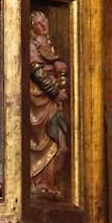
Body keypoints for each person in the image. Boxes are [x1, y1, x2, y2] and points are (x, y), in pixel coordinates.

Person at [29, 11, 69, 198]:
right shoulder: (31, 45)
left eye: (44, 21)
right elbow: (36, 72)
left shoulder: (49, 46)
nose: (43, 25)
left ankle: (51, 182)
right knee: (40, 142)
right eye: (38, 23)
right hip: (38, 99)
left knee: (59, 144)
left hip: (52, 102)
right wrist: (54, 92)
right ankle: (38, 182)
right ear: (32, 27)